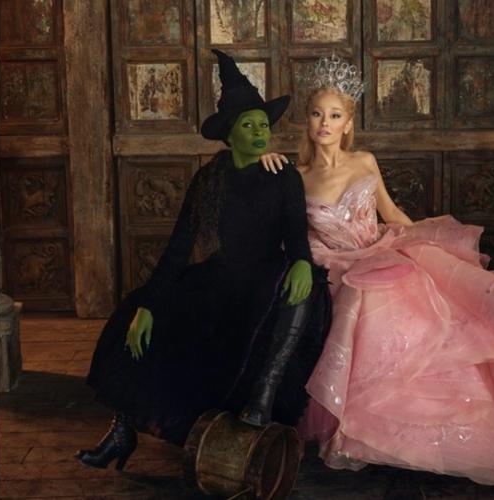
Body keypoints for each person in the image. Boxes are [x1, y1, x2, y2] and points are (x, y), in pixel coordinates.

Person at [260, 54, 494, 489]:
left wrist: (428, 242)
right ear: (306, 120)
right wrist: (264, 159)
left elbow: (391, 213)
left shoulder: (364, 161)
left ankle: (455, 430)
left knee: (431, 307)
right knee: (362, 301)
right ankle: (370, 431)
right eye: (317, 114)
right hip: (339, 267)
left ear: (348, 123)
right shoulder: (294, 176)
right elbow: (284, 227)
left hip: (380, 252)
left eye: (335, 115)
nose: (325, 123)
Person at [75, 49, 331, 471]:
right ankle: (122, 429)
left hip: (266, 275)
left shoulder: (281, 174)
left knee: (304, 294)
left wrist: (302, 261)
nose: (260, 132)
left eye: (263, 124)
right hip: (220, 276)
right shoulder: (210, 178)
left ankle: (260, 400)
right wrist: (149, 305)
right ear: (229, 134)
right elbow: (178, 248)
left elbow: (294, 234)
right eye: (248, 125)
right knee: (133, 315)